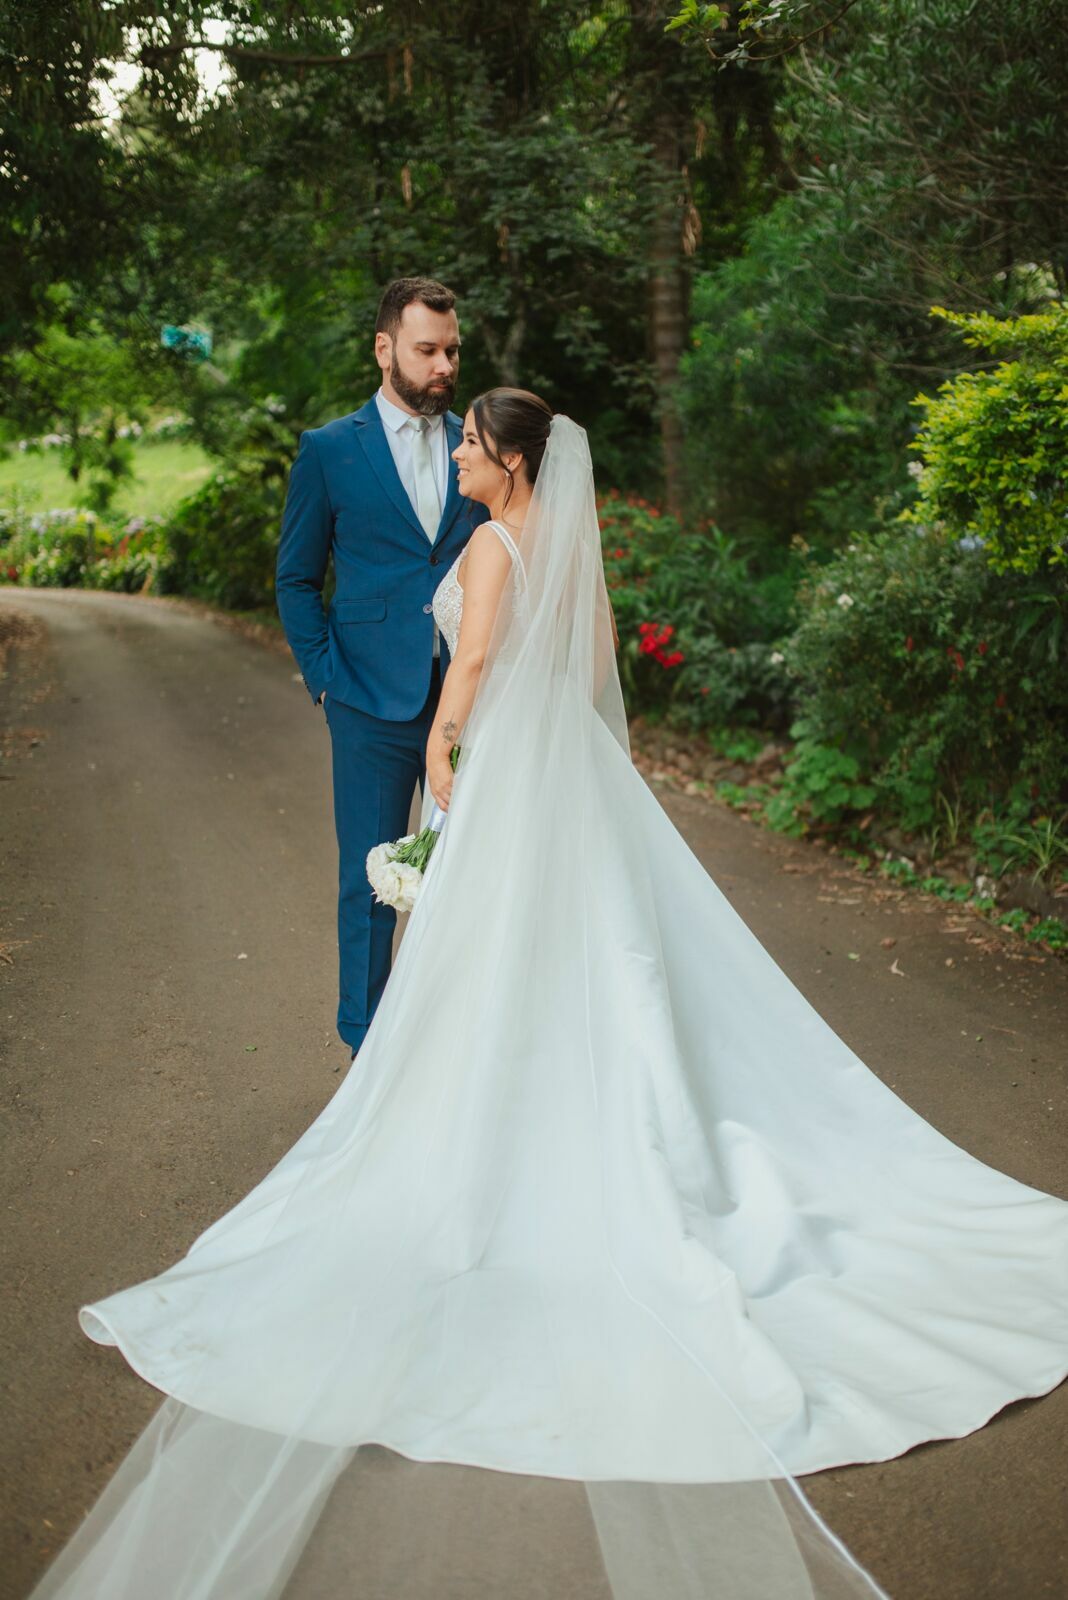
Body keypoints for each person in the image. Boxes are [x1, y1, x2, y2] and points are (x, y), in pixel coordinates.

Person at [30, 393, 1068, 1600]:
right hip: (565, 759)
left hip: (502, 764)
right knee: (591, 953)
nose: (462, 456)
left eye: (475, 445)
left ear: (513, 462)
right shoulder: (568, 547)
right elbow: (594, 664)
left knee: (495, 958)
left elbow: (470, 666)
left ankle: (502, 1136)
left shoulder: (487, 546)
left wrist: (442, 756)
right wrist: (558, 748)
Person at [275, 275, 488, 1063]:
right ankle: (365, 1051)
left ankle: (450, 1051)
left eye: (452, 350)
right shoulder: (330, 450)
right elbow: (296, 579)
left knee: (471, 878)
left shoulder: (479, 442)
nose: (444, 366)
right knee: (370, 882)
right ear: (384, 348)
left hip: (470, 702)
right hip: (366, 700)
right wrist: (327, 680)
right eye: (427, 350)